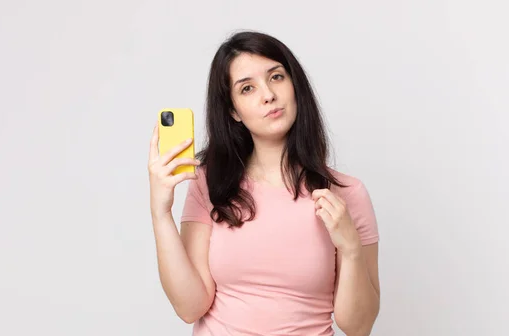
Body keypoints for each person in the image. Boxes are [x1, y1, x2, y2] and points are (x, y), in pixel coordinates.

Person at [148, 30, 380, 336]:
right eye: (247, 88)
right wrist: (161, 214)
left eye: (277, 77)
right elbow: (190, 307)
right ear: (233, 111)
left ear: (295, 85)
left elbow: (358, 326)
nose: (268, 94)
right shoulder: (210, 183)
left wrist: (350, 248)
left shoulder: (347, 194)